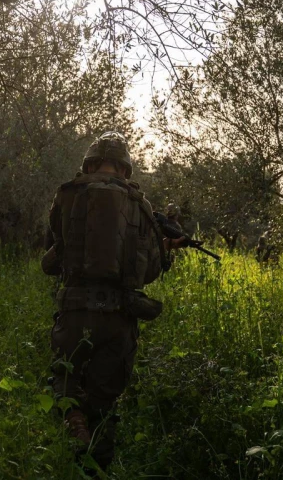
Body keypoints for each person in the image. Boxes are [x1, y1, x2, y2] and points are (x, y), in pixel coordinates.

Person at [41, 131, 185, 472]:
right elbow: (147, 271)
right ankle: (96, 466)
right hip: (119, 319)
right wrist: (165, 250)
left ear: (89, 163)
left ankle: (74, 422)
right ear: (125, 168)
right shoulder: (140, 205)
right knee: (104, 403)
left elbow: (54, 255)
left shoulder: (66, 194)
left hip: (74, 311)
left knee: (65, 380)